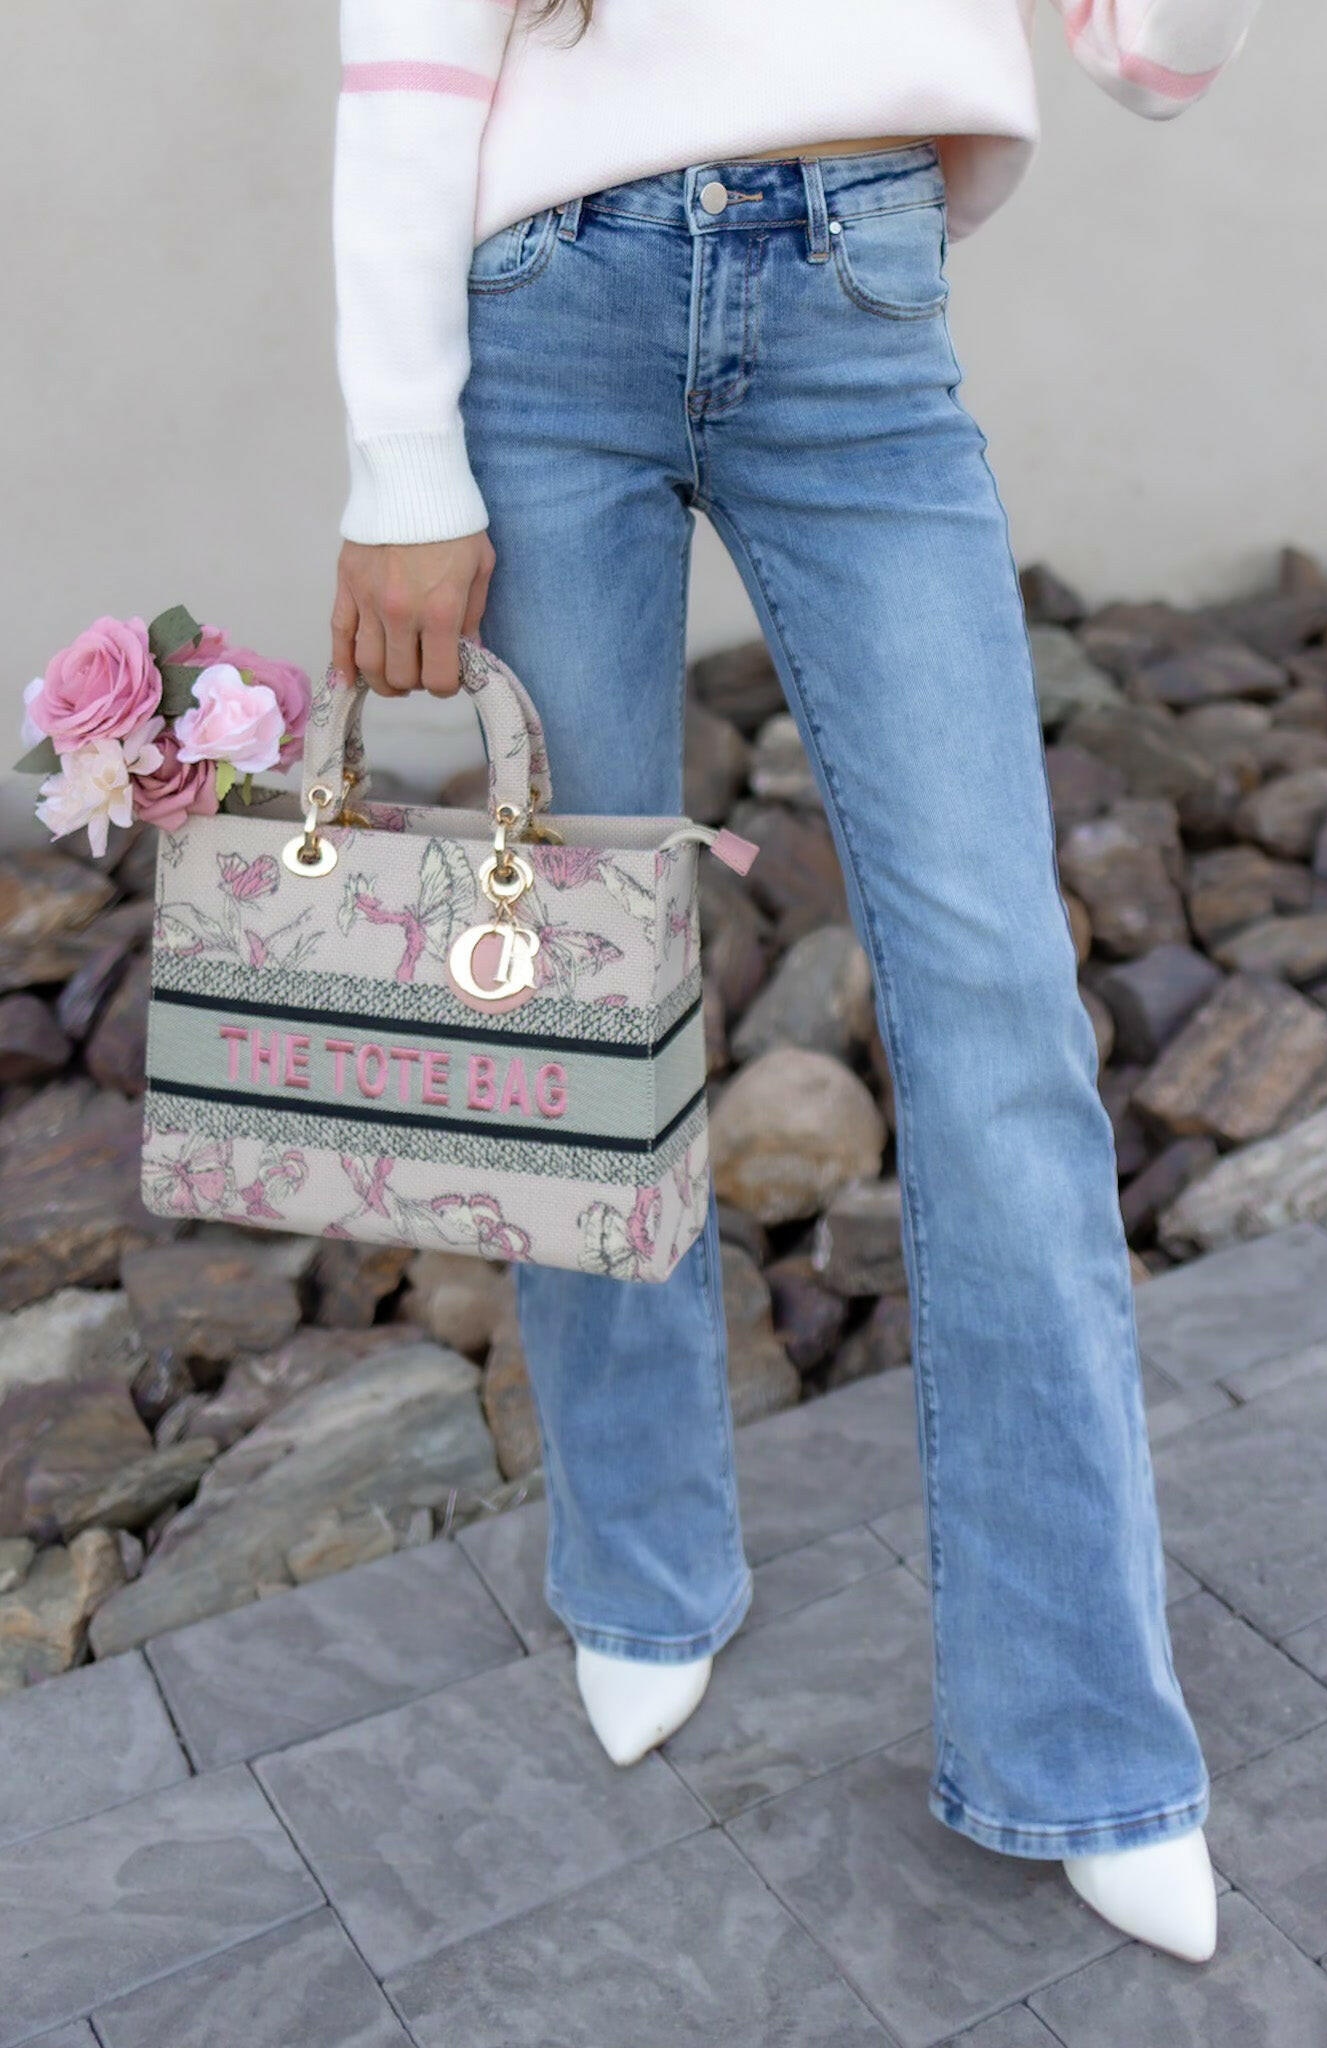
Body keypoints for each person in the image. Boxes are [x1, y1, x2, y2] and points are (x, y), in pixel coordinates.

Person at [328, 0, 1261, 1964]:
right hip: (546, 311)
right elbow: (409, 44)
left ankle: (1081, 1730)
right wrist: (400, 456)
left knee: (1001, 1015)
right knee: (579, 988)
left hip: (855, 293)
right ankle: (640, 1566)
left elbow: (1155, 57)